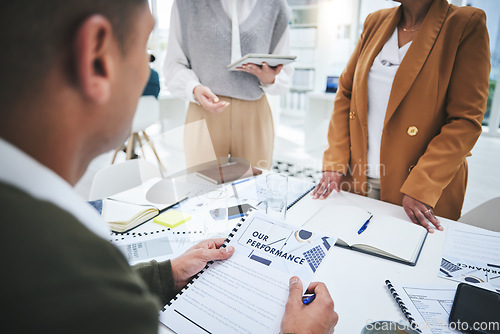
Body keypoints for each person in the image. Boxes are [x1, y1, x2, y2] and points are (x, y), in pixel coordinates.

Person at [0, 1, 337, 333]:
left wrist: (168, 273)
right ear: (97, 59)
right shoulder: (80, 272)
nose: (151, 72)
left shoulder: (42, 245)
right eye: (146, 51)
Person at [312, 0, 490, 232]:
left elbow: (465, 120)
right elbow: (346, 93)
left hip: (416, 193)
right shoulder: (376, 21)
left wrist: (422, 186)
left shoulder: (465, 23)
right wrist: (335, 161)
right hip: (357, 179)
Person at [164, 0, 294, 170]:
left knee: (255, 190)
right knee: (202, 190)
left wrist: (270, 77)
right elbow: (173, 64)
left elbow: (286, 70)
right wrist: (194, 88)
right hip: (204, 111)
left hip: (255, 114)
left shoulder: (275, 6)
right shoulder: (186, 4)